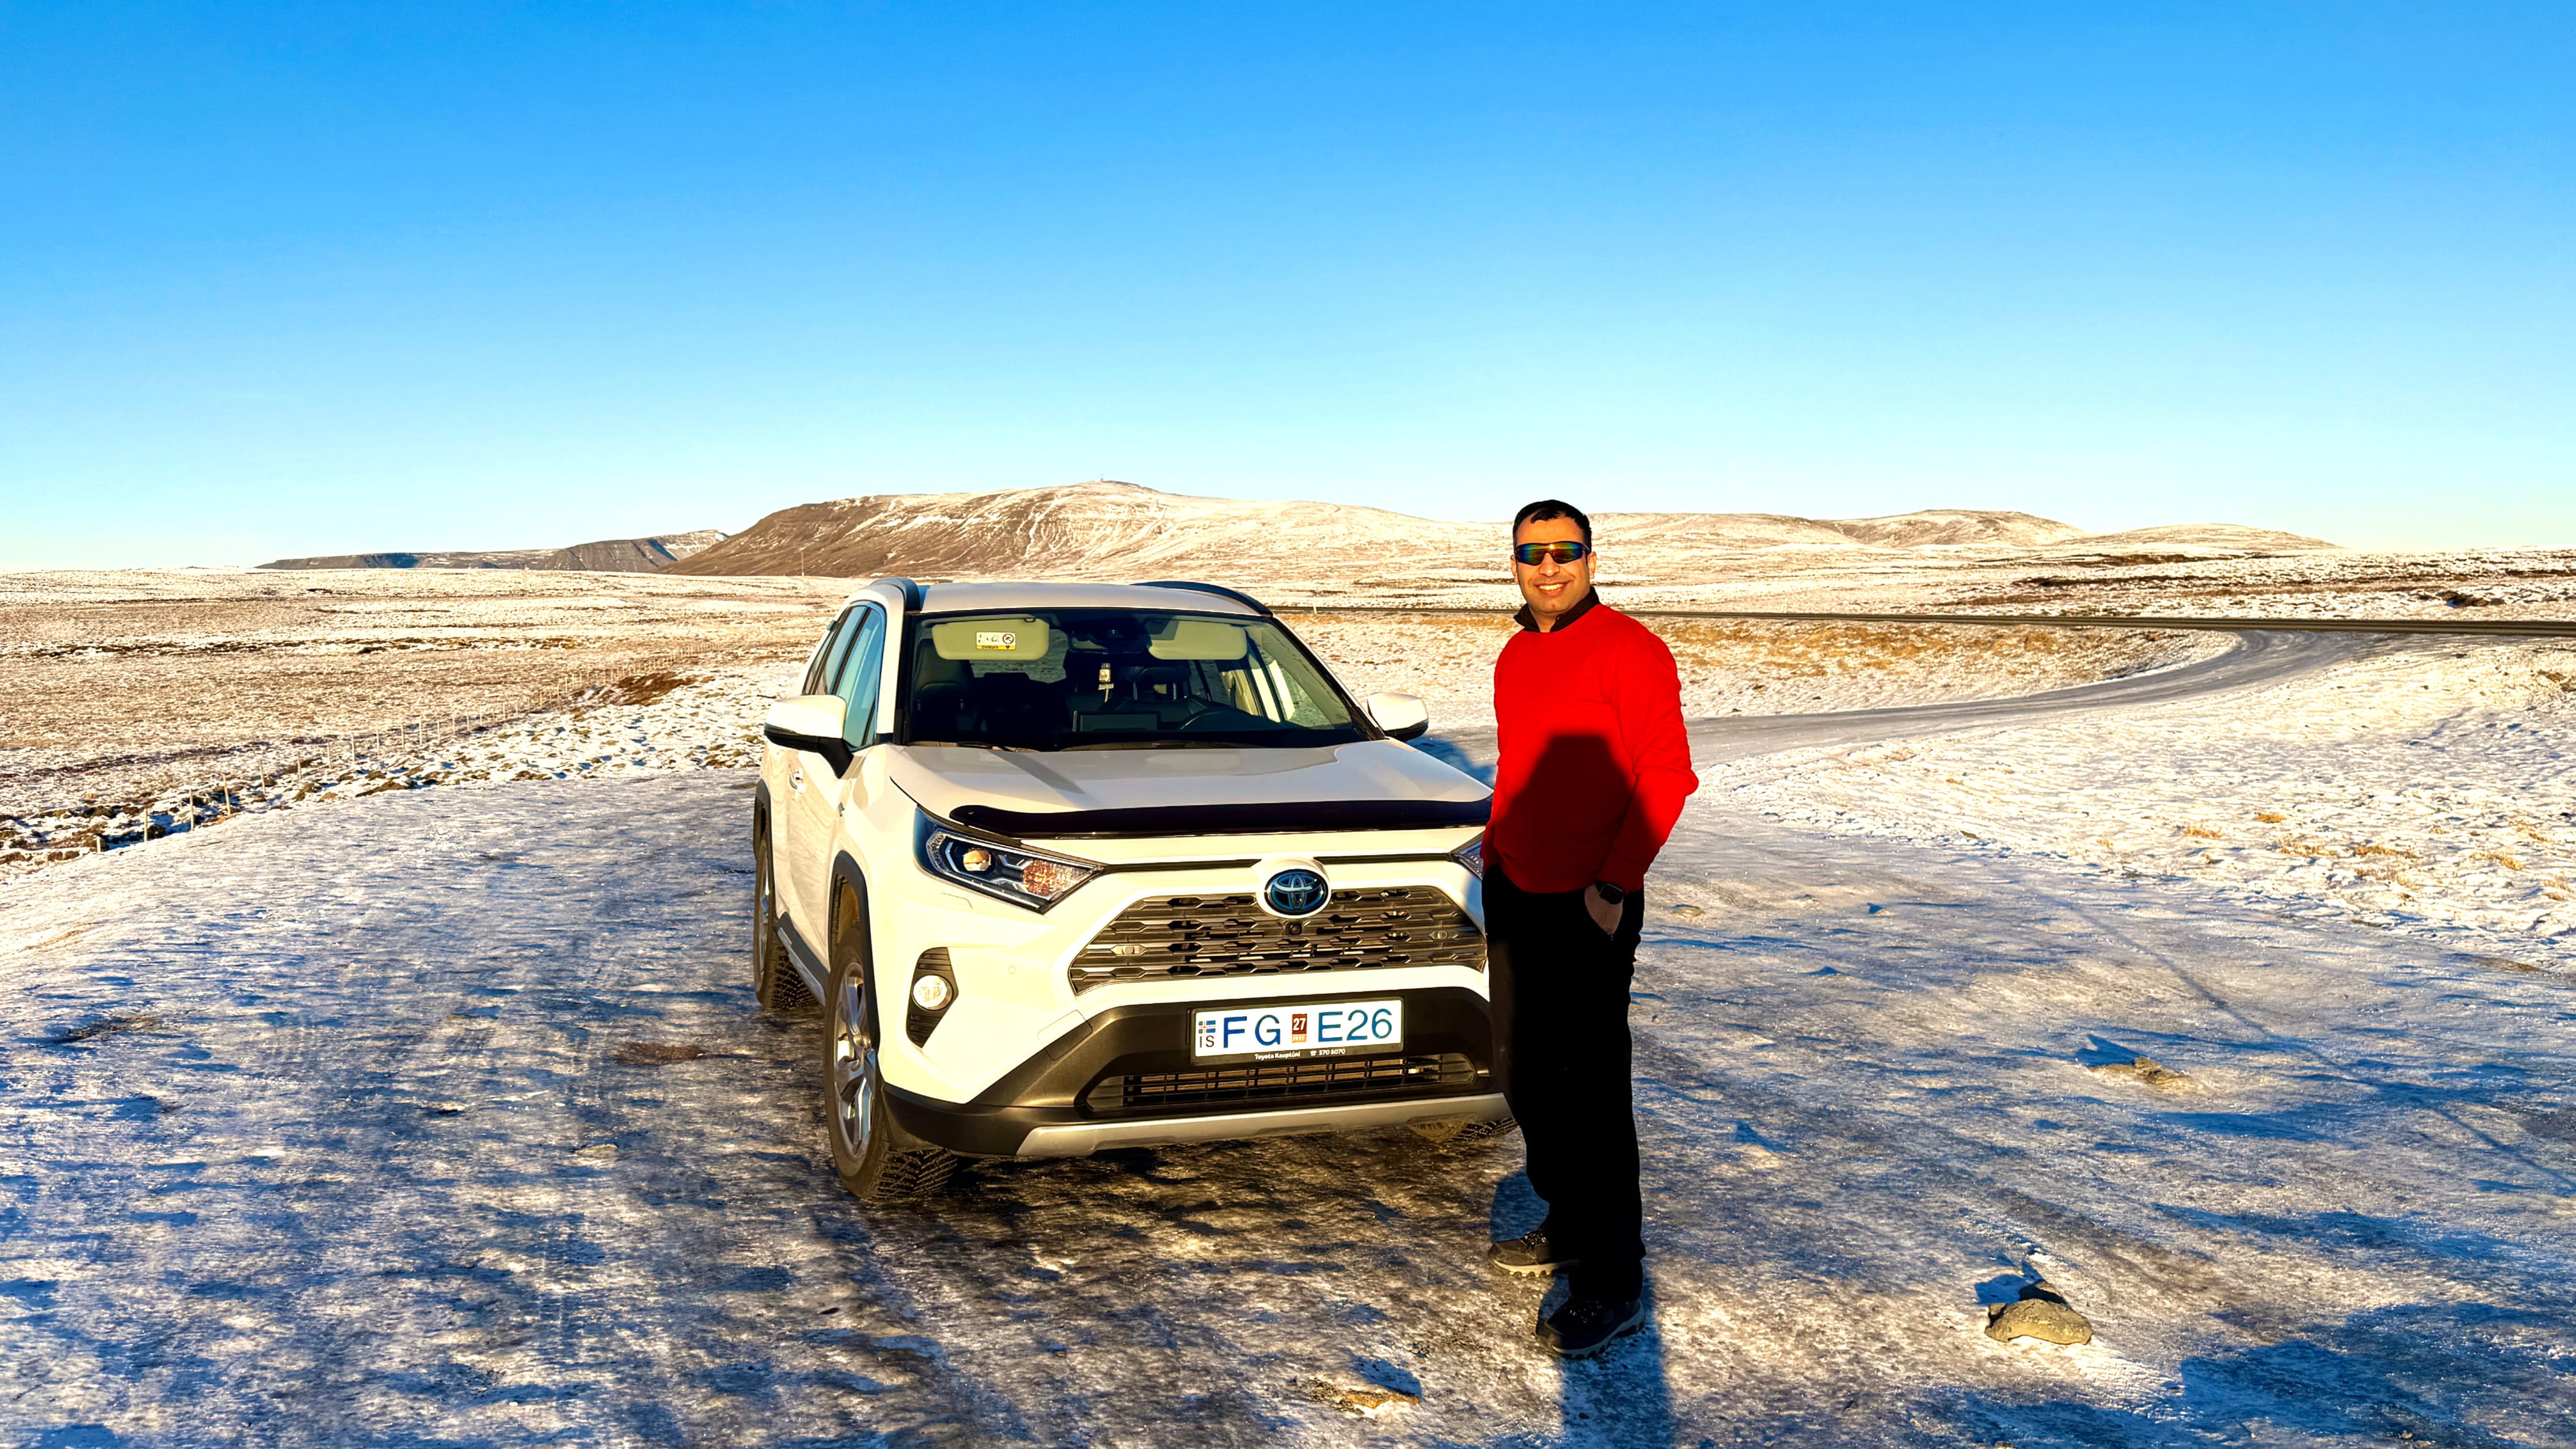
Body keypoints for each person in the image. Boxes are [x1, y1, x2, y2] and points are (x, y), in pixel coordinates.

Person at [1480, 497, 1700, 1358]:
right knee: (1522, 1068)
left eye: (1564, 551)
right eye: (1532, 552)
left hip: (1590, 899)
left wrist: (1613, 882)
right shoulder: (1515, 654)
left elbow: (1665, 773)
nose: (1548, 566)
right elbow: (1519, 764)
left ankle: (1613, 1277)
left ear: (1591, 560)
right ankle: (1569, 1220)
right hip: (1516, 887)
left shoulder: (1629, 649)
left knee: (1591, 1088)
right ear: (1513, 563)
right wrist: (1494, 845)